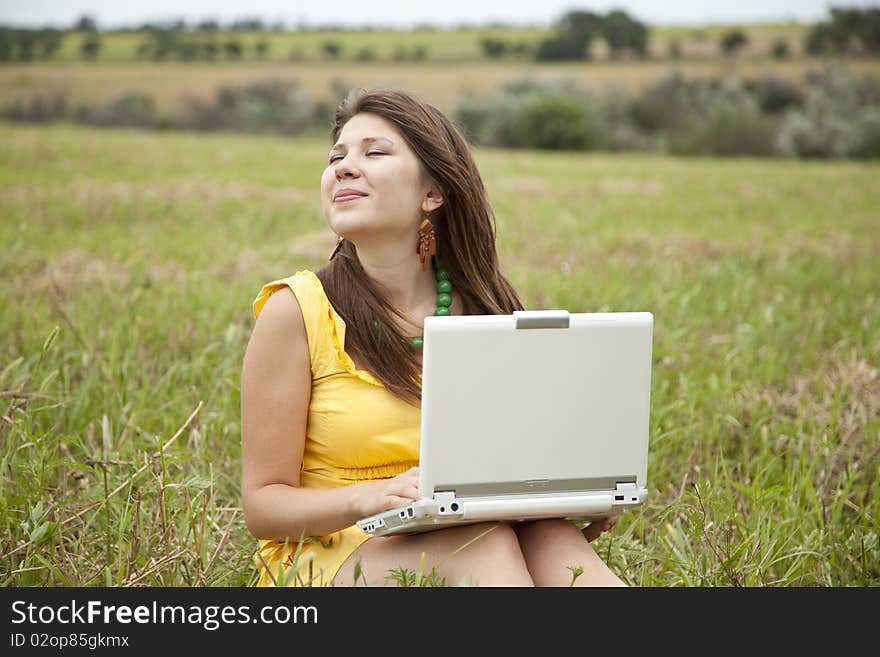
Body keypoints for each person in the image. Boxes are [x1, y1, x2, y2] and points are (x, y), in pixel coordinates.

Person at [240, 87, 625, 587]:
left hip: (470, 529)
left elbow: (513, 458)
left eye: (373, 152)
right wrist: (368, 498)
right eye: (337, 156)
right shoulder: (294, 310)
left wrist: (566, 495)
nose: (344, 167)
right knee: (483, 549)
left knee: (553, 541)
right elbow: (263, 505)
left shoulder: (489, 309)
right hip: (330, 547)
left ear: (433, 192)